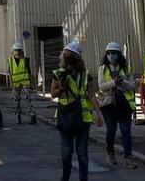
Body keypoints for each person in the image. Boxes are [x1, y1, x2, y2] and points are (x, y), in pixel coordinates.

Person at [51, 39, 103, 181]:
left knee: (82, 153)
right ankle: (66, 176)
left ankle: (83, 178)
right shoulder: (58, 74)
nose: (68, 60)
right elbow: (53, 93)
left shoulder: (86, 75)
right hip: (65, 117)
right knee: (67, 152)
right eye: (67, 56)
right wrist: (62, 88)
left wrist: (99, 114)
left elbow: (92, 95)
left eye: (71, 57)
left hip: (83, 119)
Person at [97, 41, 138, 169]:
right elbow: (101, 86)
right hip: (109, 105)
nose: (111, 56)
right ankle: (110, 152)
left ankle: (128, 157)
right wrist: (113, 83)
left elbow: (131, 86)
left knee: (126, 131)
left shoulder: (126, 69)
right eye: (109, 53)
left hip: (123, 104)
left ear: (119, 54)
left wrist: (122, 81)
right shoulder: (103, 69)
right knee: (111, 130)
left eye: (114, 53)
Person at [8, 41, 35, 124]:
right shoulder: (10, 60)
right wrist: (11, 84)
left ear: (21, 51)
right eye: (15, 50)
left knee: (29, 100)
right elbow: (10, 73)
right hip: (16, 84)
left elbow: (29, 72)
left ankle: (33, 116)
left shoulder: (26, 59)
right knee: (17, 100)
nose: (16, 52)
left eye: (18, 50)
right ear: (13, 51)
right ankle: (18, 116)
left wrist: (32, 83)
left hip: (25, 83)